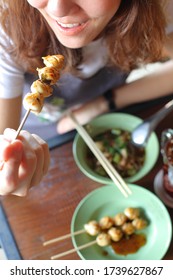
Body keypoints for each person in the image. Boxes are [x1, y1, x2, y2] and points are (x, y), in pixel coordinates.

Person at [0, 0, 172, 196]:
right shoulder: (7, 24)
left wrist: (104, 103)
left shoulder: (155, 6)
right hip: (37, 139)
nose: (58, 9)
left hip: (100, 121)